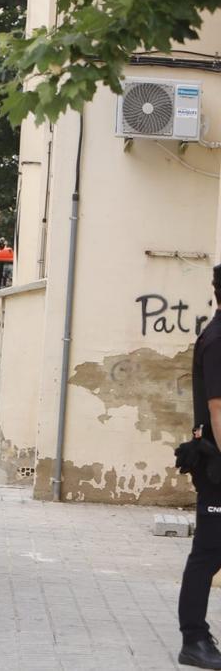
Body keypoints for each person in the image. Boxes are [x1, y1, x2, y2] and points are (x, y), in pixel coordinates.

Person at [176, 263, 221, 669]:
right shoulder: (218, 340)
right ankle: (194, 638)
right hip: (217, 465)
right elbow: (218, 409)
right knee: (208, 552)